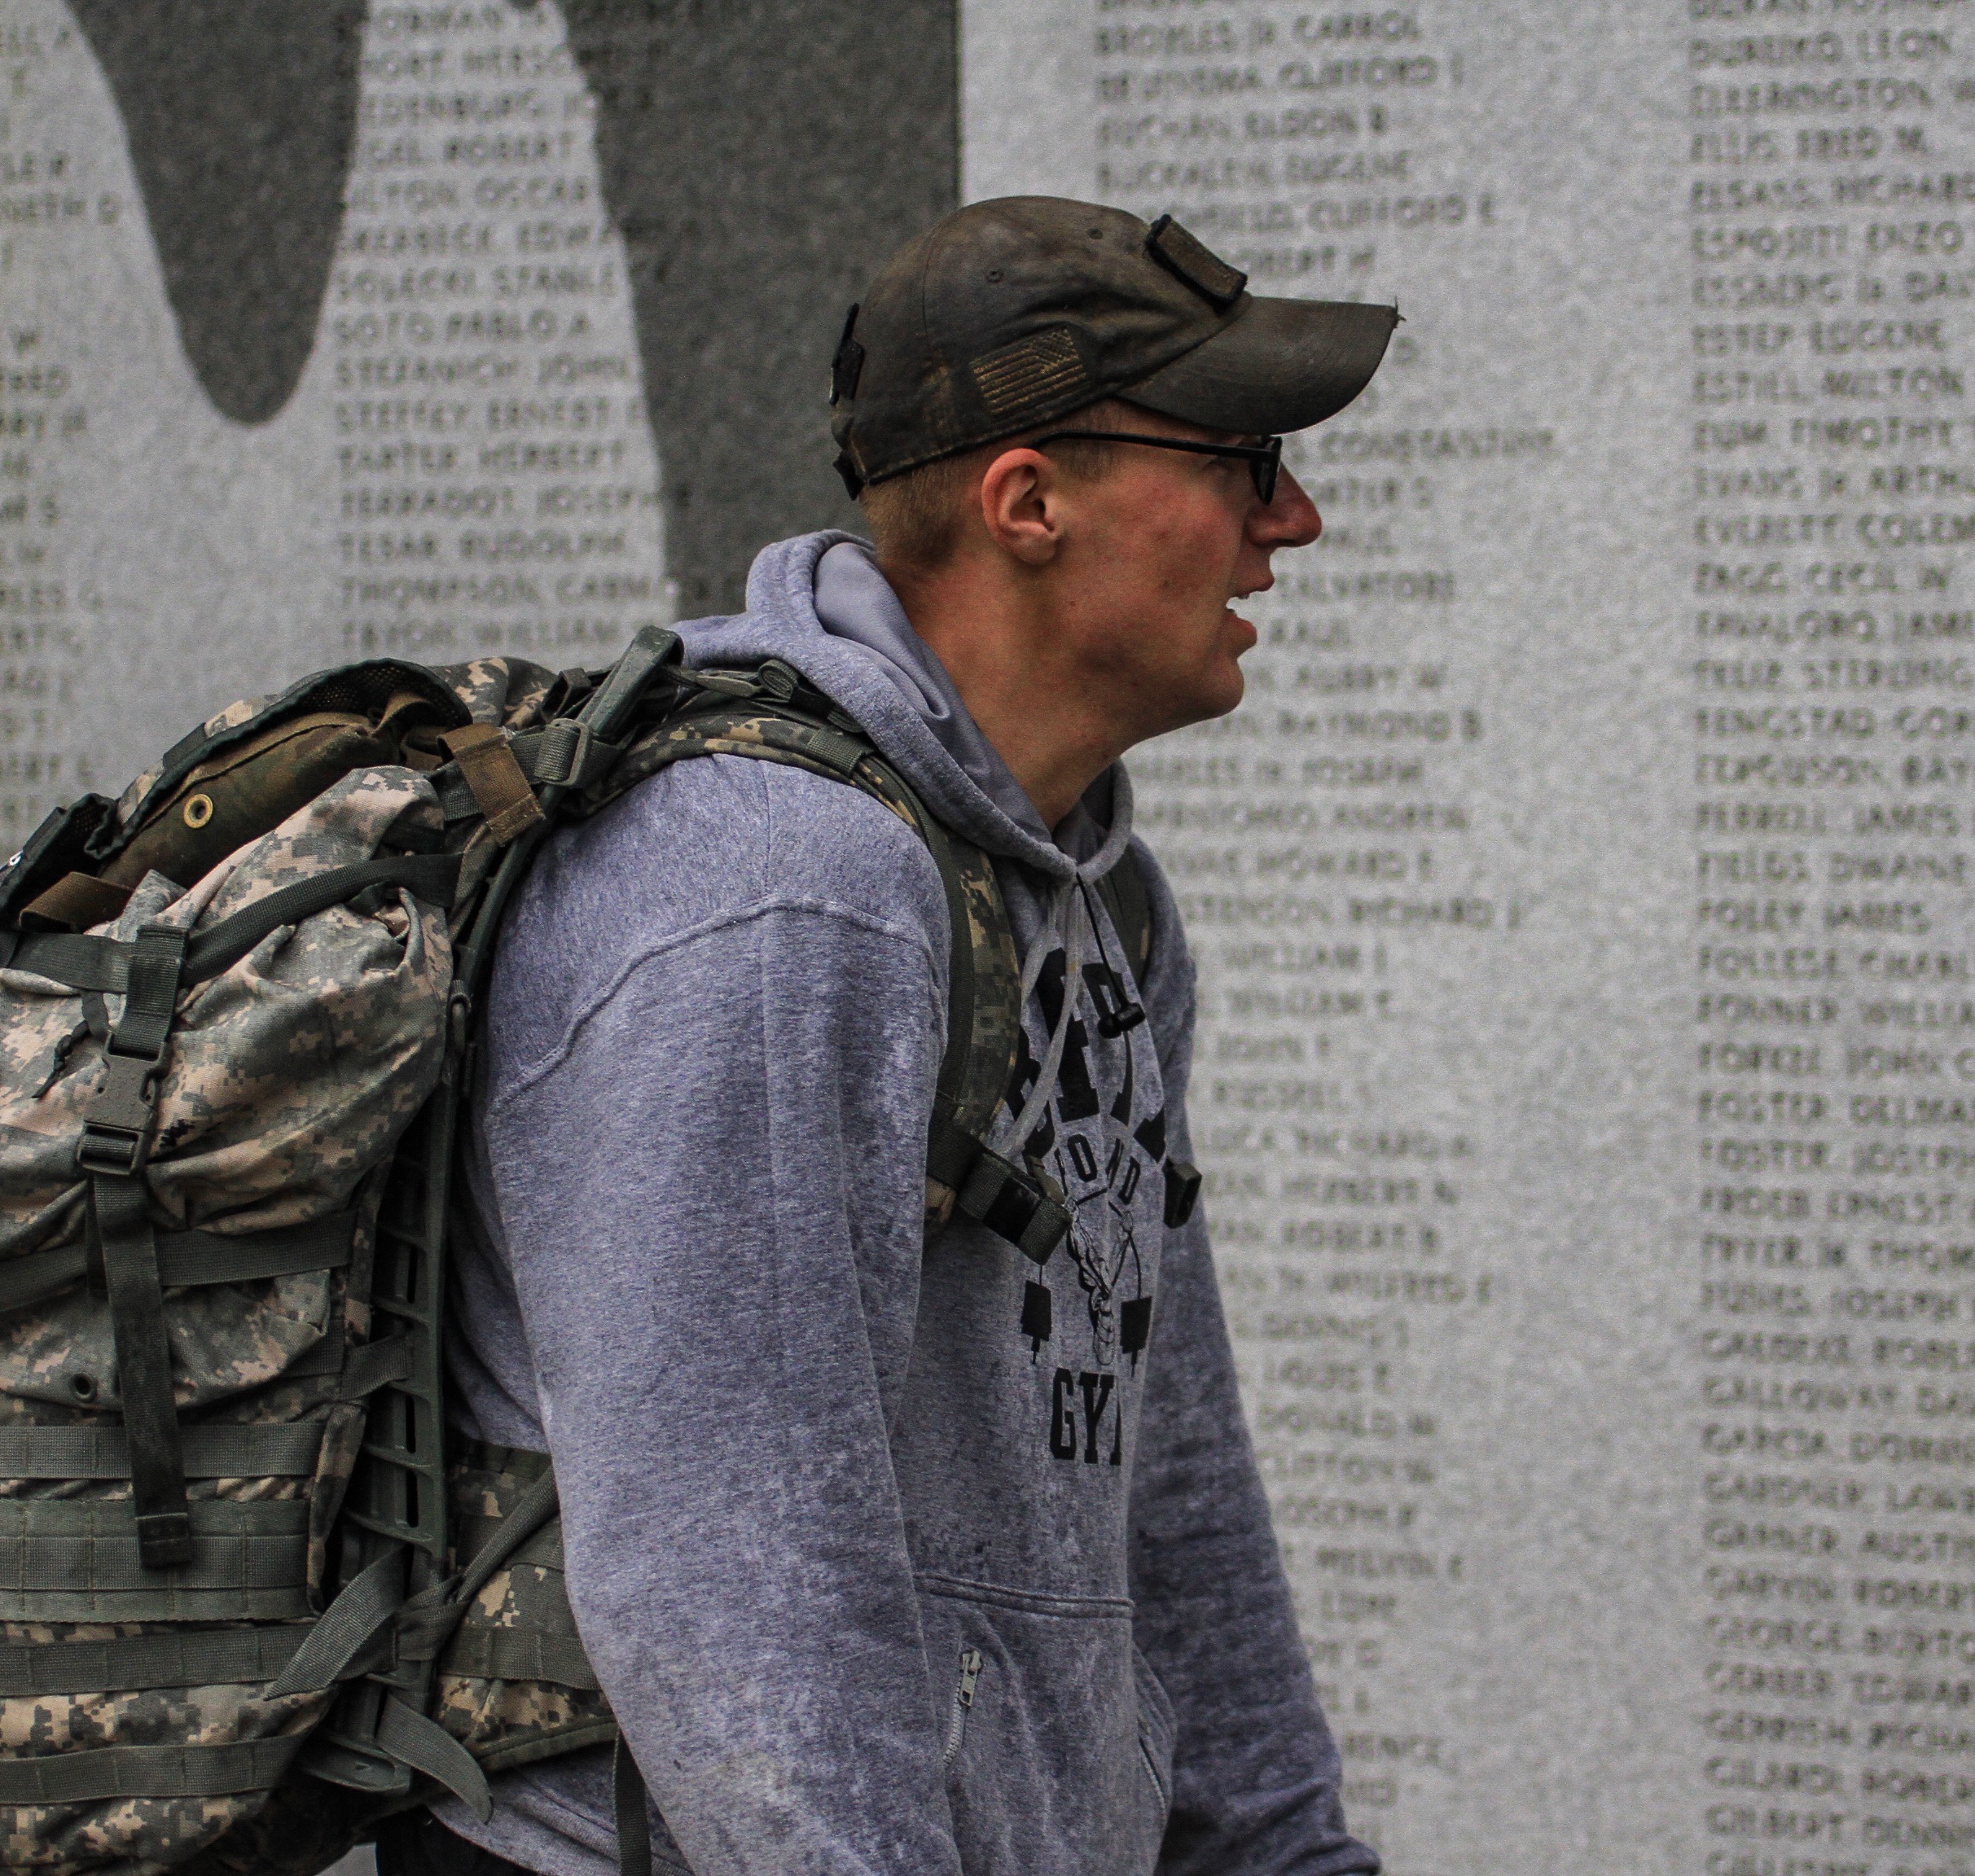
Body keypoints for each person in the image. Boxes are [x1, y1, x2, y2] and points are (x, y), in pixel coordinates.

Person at [378, 196, 1398, 1876]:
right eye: (1242, 458)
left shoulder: (1104, 904)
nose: (1292, 519)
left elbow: (1162, 1470)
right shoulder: (782, 894)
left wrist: (1287, 1855)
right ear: (1029, 503)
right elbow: (737, 1587)